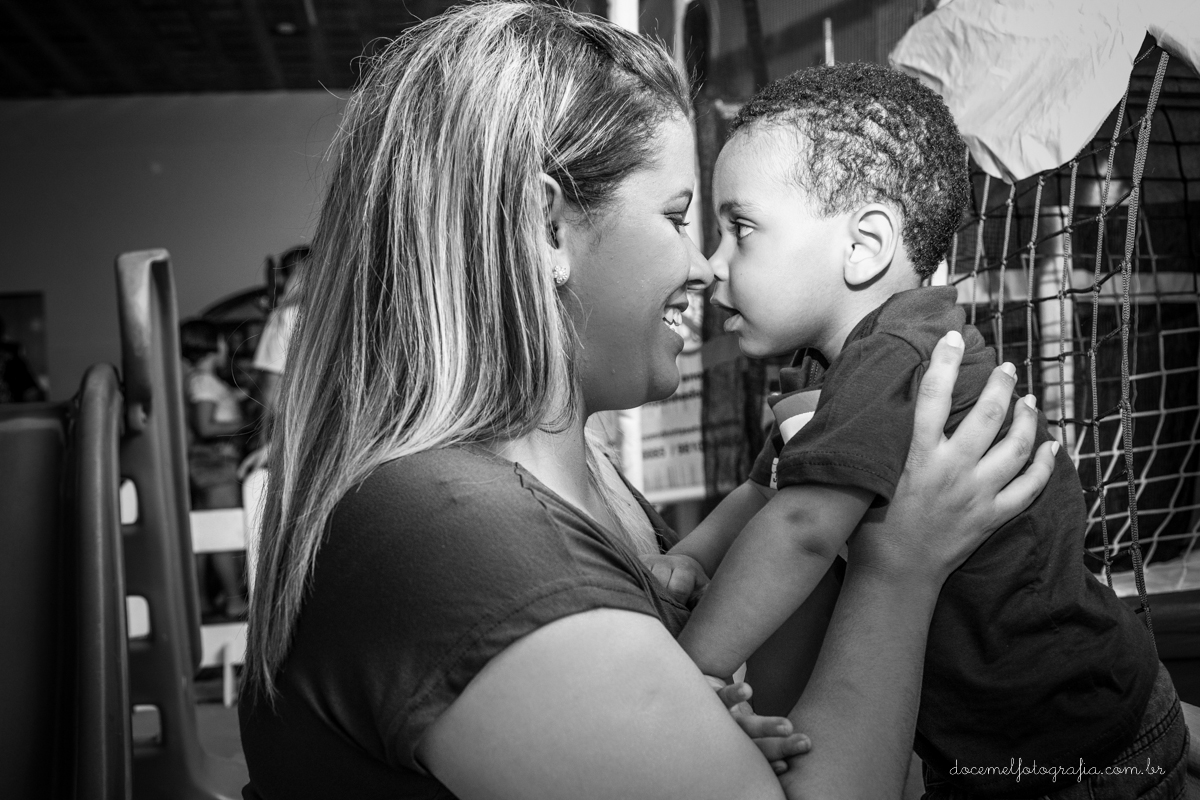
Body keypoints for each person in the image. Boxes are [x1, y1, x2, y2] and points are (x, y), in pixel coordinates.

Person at [238, 6, 1055, 799]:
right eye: (676, 217)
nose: (703, 268)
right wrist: (900, 570)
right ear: (544, 228)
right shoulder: (455, 537)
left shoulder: (577, 483)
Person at [656, 63, 1184, 798]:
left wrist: (691, 672)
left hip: (1081, 754)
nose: (713, 264)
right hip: (987, 749)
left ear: (864, 246)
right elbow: (767, 489)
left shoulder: (899, 352)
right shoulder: (828, 371)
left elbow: (804, 527)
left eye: (740, 229)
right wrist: (682, 561)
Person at [181, 318, 249, 618]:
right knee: (223, 532)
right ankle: (234, 600)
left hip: (210, 463)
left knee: (207, 532)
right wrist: (246, 424)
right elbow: (206, 426)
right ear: (213, 345)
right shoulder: (203, 382)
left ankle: (203, 601)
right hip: (215, 464)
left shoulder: (202, 380)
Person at [237, 244, 309, 477]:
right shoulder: (330, 318)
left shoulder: (285, 316)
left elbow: (268, 384)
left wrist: (261, 439)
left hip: (286, 430)